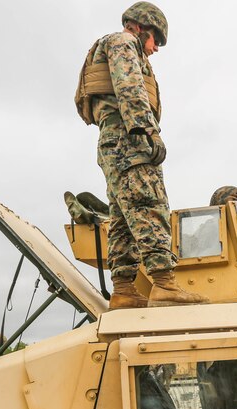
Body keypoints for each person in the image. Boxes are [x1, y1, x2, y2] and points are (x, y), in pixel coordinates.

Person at [75, 2, 207, 309]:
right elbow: (129, 85)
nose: (156, 48)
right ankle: (164, 283)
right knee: (149, 203)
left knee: (122, 217)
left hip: (112, 140)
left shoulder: (111, 44)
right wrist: (147, 129)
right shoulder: (123, 42)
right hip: (128, 137)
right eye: (156, 40)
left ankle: (123, 289)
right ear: (141, 27)